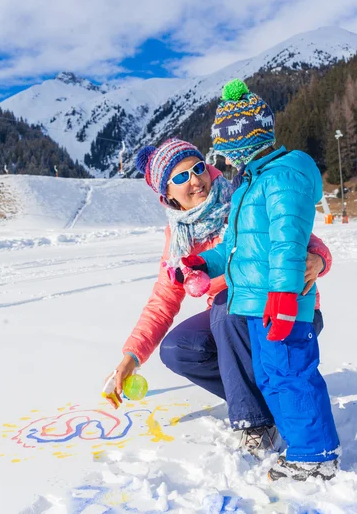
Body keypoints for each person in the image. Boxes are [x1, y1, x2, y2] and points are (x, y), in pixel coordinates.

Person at [105, 137, 332, 456]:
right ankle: (261, 403)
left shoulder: (242, 197)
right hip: (232, 326)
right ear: (166, 194)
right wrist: (131, 357)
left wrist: (320, 260)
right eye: (181, 177)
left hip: (285, 315)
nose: (195, 180)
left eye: (198, 168)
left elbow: (301, 234)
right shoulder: (179, 238)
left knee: (226, 306)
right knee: (178, 348)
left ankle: (255, 422)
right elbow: (162, 301)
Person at [192, 79, 340, 479]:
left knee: (291, 375)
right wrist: (201, 263)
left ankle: (316, 456)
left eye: (228, 137)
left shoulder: (282, 178)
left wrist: (284, 296)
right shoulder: (249, 184)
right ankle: (304, 446)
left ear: (250, 136)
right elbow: (234, 248)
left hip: (279, 304)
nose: (224, 148)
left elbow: (288, 244)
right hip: (256, 304)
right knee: (274, 377)